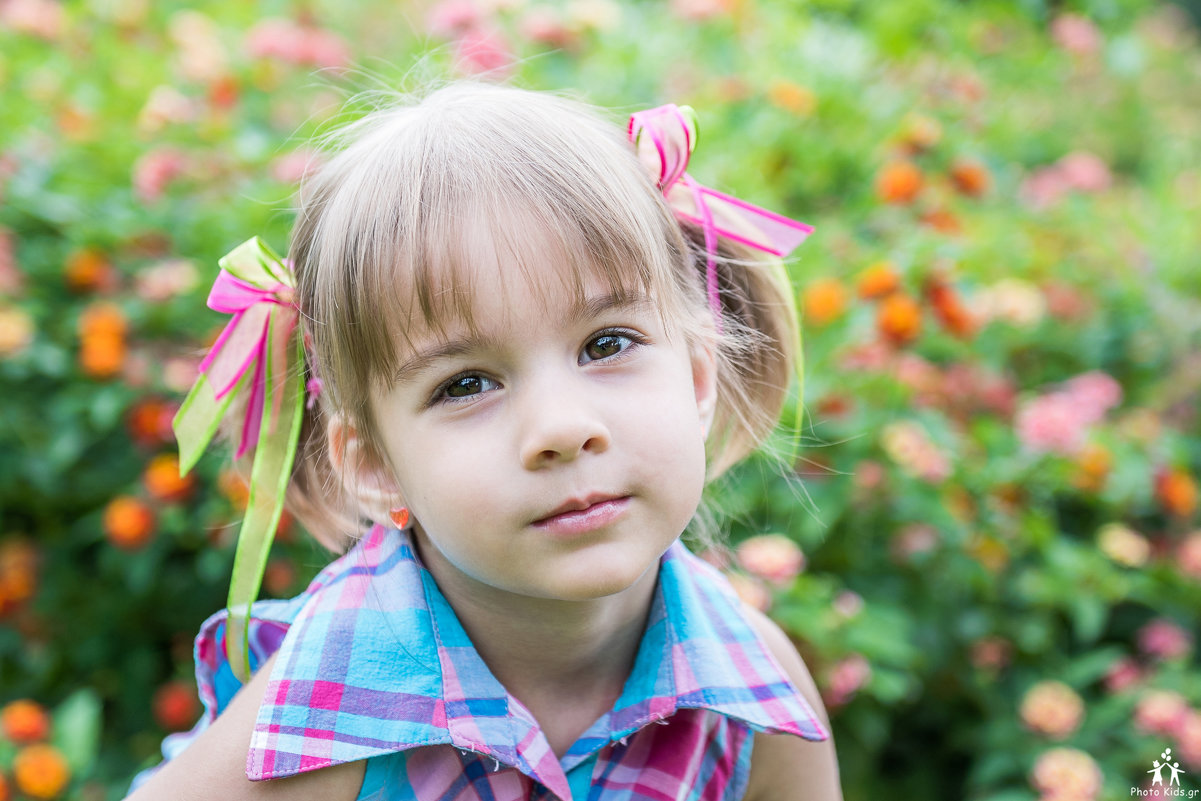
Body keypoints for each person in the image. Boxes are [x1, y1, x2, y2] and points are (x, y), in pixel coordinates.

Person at [126, 81, 841, 801]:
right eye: (465, 384)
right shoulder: (317, 733)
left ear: (695, 376)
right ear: (373, 465)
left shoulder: (754, 705)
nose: (562, 428)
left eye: (607, 342)